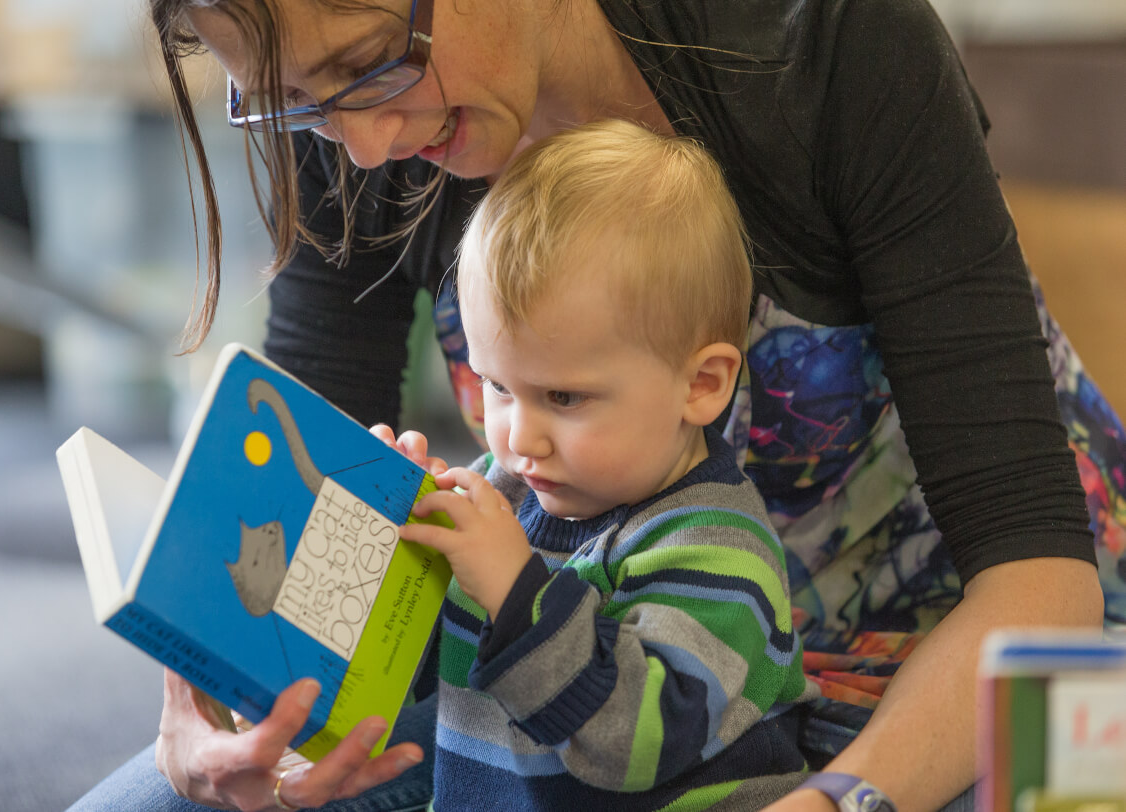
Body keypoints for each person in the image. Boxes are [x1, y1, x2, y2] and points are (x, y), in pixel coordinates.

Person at [74, 0, 1123, 809]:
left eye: (363, 65)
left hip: (952, 653)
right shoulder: (356, 111)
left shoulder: (830, 42)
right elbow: (304, 520)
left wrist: (827, 800)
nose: (359, 145)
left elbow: (1037, 580)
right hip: (579, 679)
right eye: (297, 98)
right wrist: (211, 700)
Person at [383, 117, 816, 810]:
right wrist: (389, 545)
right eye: (497, 386)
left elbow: (632, 744)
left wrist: (513, 592)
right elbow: (409, 667)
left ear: (701, 385)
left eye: (563, 396)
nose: (520, 437)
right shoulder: (508, 487)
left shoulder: (720, 554)